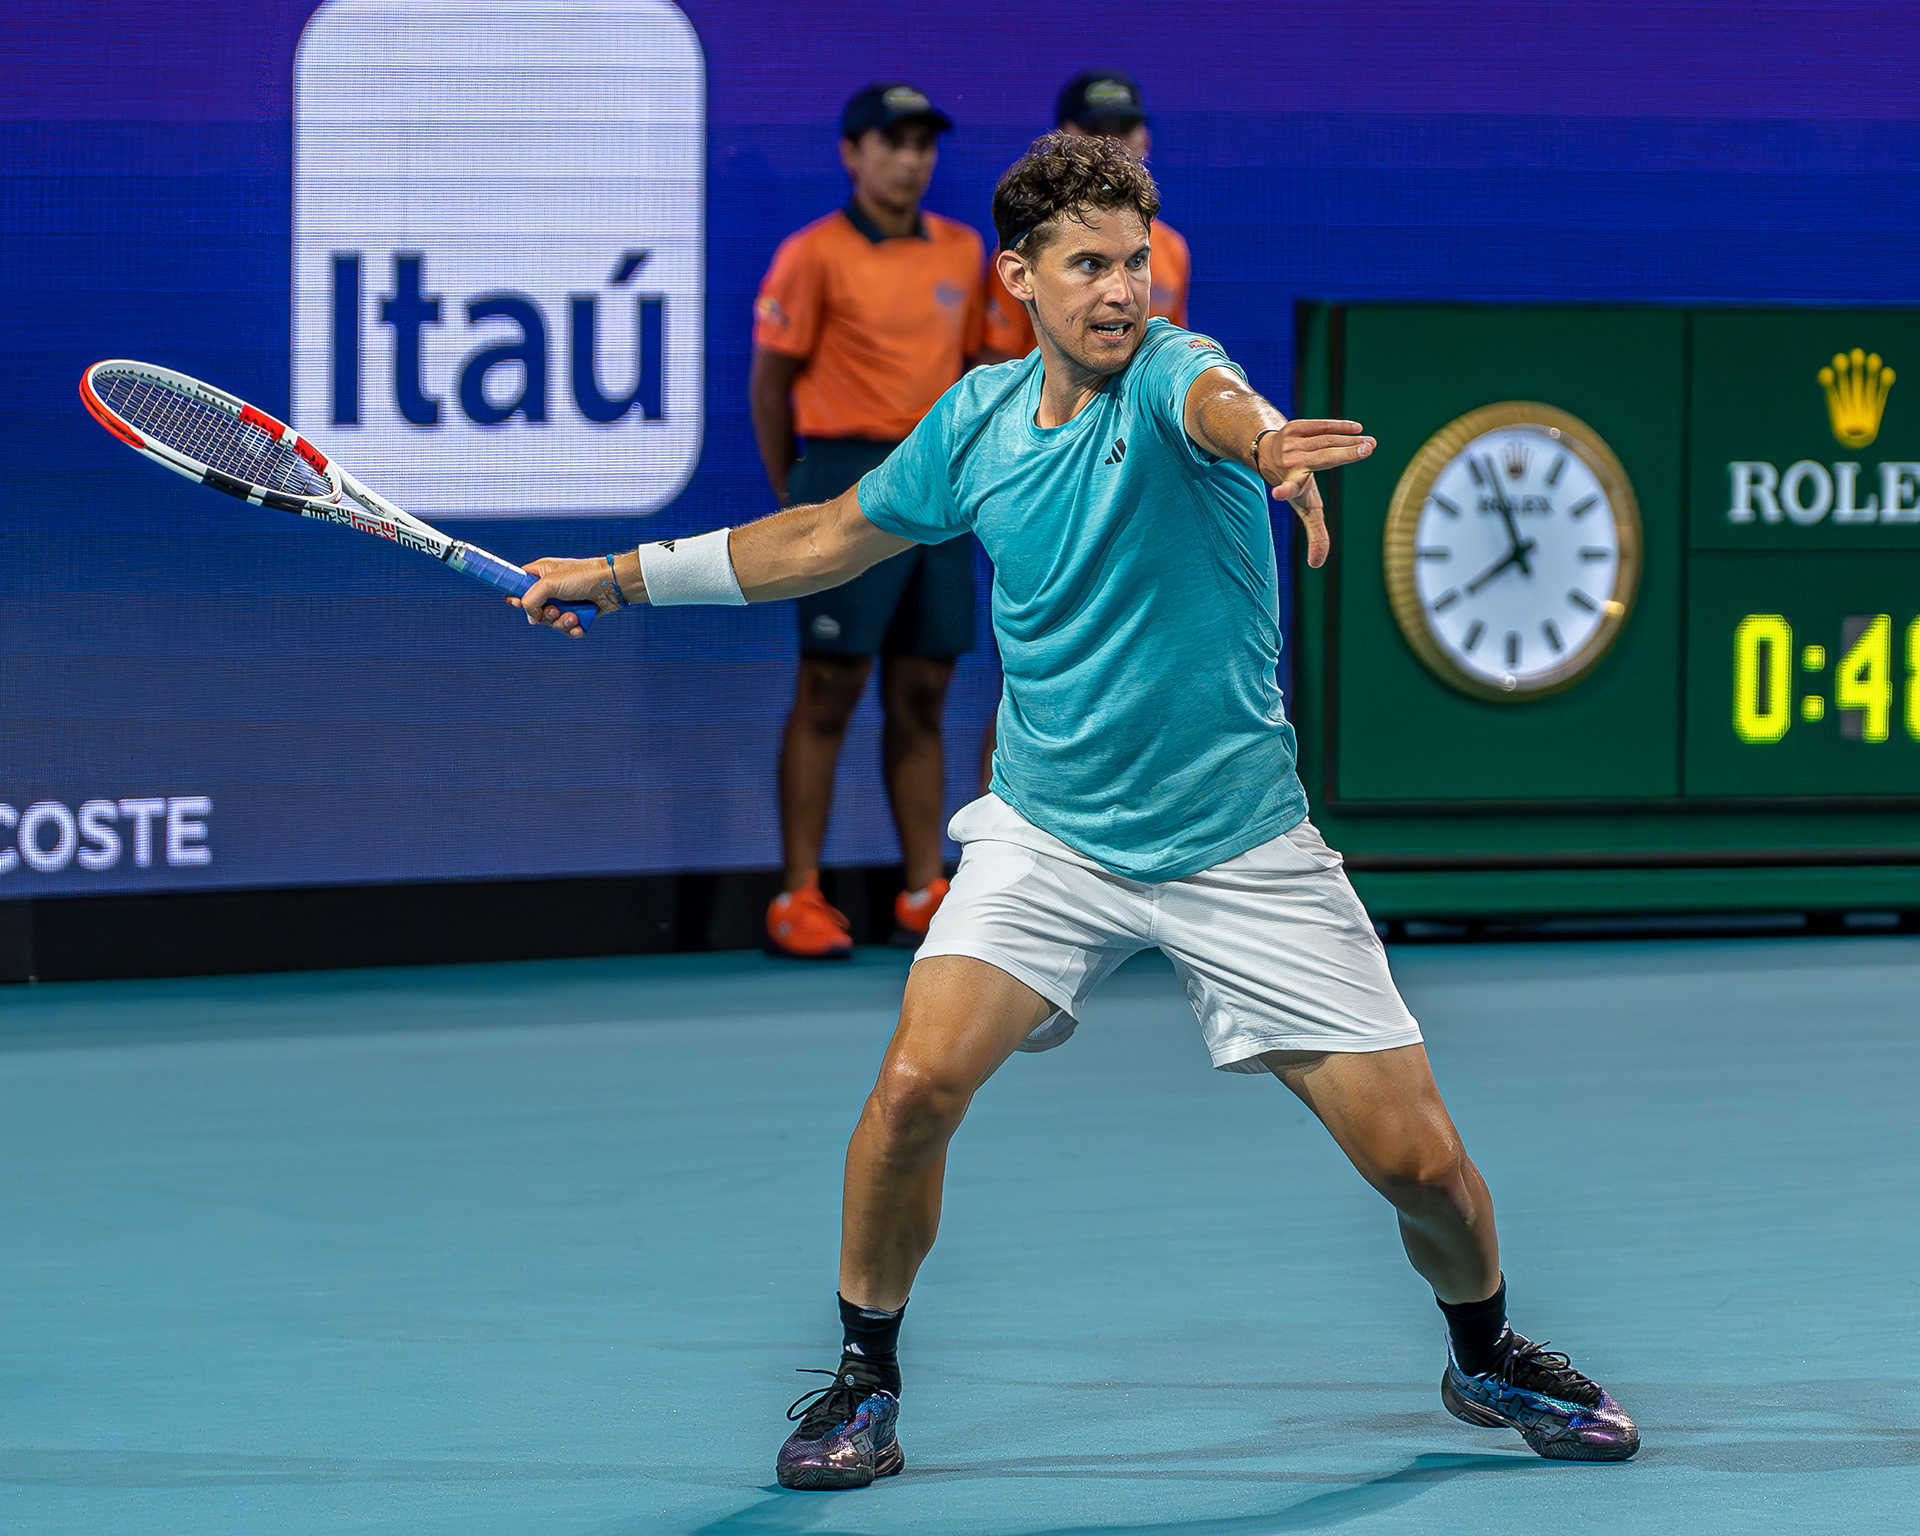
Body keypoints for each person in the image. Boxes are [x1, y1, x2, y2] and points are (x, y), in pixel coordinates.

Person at [515, 132, 1640, 1488]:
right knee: (914, 1088)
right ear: (1020, 280)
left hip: (1239, 845)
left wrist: (1270, 444)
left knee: (1423, 1172)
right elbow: (820, 537)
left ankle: (1484, 1352)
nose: (1121, 291)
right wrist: (617, 575)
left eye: (1135, 263)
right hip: (1050, 839)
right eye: (1089, 266)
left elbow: (1220, 402)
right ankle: (864, 1382)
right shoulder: (976, 424)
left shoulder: (1171, 373)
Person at [748, 82, 987, 958]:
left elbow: (980, 371)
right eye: (893, 142)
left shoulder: (964, 250)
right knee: (829, 686)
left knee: (924, 691)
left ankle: (924, 890)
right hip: (846, 474)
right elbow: (770, 387)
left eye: (923, 144)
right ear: (852, 154)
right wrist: (799, 496)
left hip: (939, 480)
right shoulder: (812, 254)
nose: (911, 160)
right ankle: (797, 896)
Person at [979, 69, 1191, 362]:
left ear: (1145, 139)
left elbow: (1175, 355)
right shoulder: (1029, 245)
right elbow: (999, 360)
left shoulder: (1172, 249)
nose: (1111, 147)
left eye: (1137, 261)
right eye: (1088, 264)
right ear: (1061, 140)